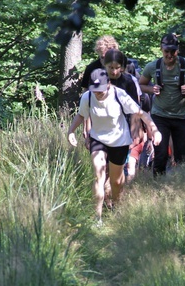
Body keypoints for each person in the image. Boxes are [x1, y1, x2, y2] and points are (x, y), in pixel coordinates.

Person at [67, 69, 162, 223]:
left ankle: (116, 209)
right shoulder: (88, 97)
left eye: (100, 90)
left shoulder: (120, 95)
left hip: (119, 141)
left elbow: (142, 113)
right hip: (98, 139)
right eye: (94, 89)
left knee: (116, 182)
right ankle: (96, 218)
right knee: (99, 175)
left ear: (108, 85)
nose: (97, 93)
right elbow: (81, 115)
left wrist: (155, 130)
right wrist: (71, 131)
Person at [139, 33, 185, 175]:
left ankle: (182, 185)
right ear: (161, 49)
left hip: (182, 116)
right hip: (160, 116)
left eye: (173, 51)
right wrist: (152, 89)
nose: (170, 55)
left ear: (178, 50)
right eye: (166, 51)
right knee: (161, 154)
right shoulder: (153, 66)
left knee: (182, 156)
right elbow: (141, 85)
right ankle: (158, 185)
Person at [103, 49, 145, 181]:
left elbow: (135, 110)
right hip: (102, 128)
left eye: (117, 68)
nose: (114, 72)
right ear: (105, 65)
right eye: (111, 68)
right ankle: (104, 196)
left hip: (122, 128)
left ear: (122, 67)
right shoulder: (99, 79)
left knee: (117, 166)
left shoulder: (129, 82)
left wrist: (135, 132)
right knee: (103, 166)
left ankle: (114, 197)